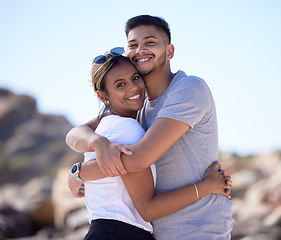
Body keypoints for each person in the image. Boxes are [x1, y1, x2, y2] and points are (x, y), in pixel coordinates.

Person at [66, 15, 234, 239]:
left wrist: (80, 173)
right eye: (133, 45)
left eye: (150, 42)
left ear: (170, 51)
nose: (140, 50)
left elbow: (138, 159)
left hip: (198, 228)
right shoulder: (136, 106)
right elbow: (74, 134)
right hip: (158, 231)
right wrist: (98, 143)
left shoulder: (188, 89)